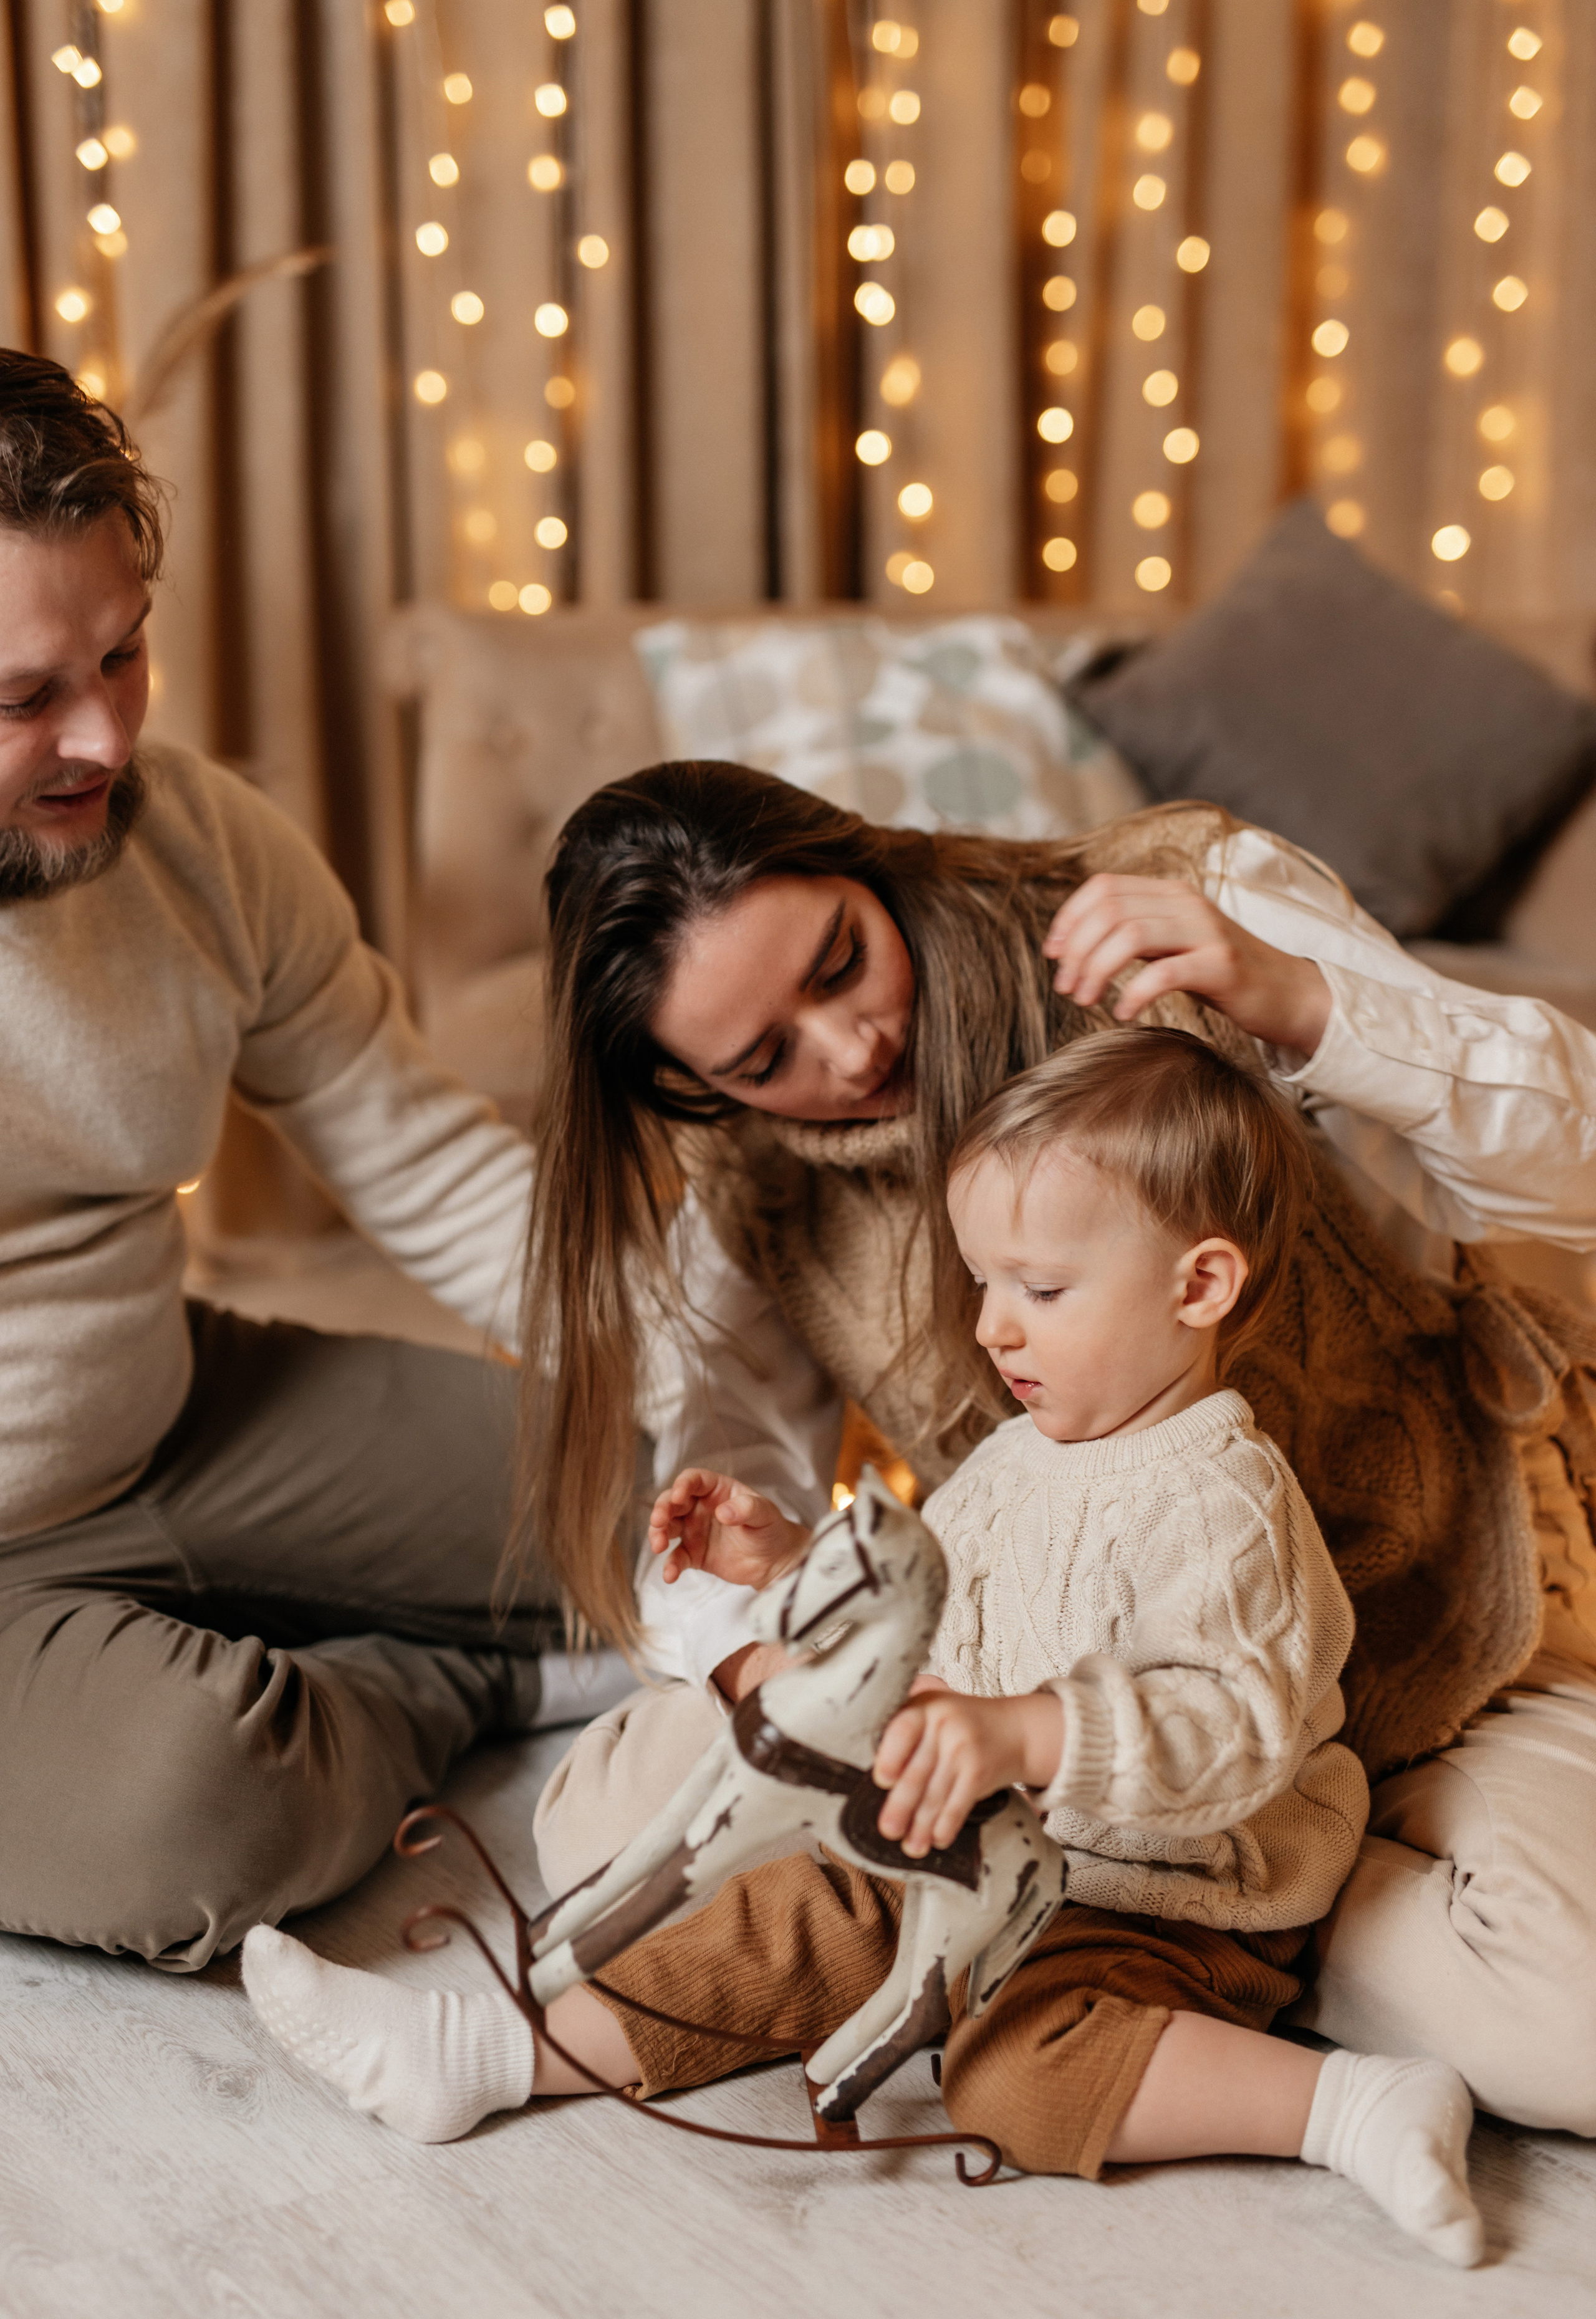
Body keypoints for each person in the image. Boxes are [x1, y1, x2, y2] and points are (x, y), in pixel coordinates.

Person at [241, 1028, 1484, 2269]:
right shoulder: (1013, 1459)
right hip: (981, 1847)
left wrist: (1025, 1733)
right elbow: (926, 1615)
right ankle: (486, 2051)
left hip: (1162, 1897)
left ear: (1197, 1288)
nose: (993, 1328)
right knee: (783, 1910)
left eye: (1039, 1292)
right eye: (982, 1284)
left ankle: (1348, 2108)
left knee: (1011, 2073)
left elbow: (1235, 1731)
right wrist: (789, 1562)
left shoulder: (1222, 1500)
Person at [512, 760, 1596, 2139]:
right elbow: (761, 1497)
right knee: (601, 1819)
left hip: (1438, 1628)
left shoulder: (1176, 910)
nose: (844, 1054)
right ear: (691, 1086)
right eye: (761, 1060)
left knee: (1573, 2018)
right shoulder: (755, 1186)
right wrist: (760, 1608)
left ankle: (1211, 1918)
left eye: (840, 964)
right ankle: (1143, 1930)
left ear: (860, 860)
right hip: (1041, 1714)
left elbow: (1574, 1168)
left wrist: (1300, 1004)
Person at [0, 352, 628, 1974]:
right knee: (200, 1810)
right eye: (24, 698)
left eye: (122, 658)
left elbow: (422, 1156)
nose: (101, 736)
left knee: (674, 1502)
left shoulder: (200, 844)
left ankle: (250, 1639)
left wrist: (678, 1366)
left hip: (184, 1414)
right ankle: (451, 1684)